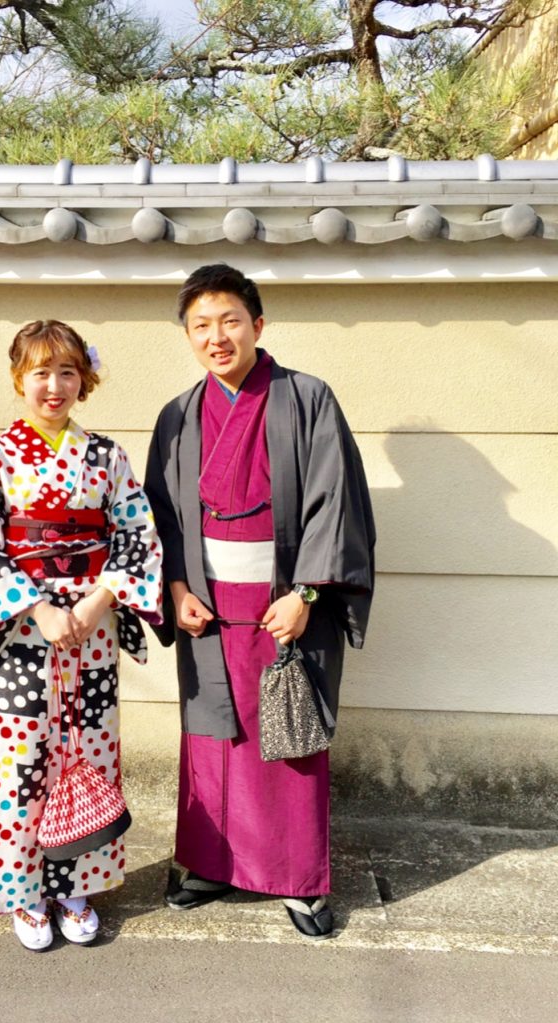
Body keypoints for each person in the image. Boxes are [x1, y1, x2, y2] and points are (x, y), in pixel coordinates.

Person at [144, 265, 375, 939]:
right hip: (207, 609)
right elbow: (159, 516)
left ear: (257, 325)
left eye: (230, 321)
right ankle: (212, 865)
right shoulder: (178, 416)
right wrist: (176, 588)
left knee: (287, 740)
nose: (217, 337)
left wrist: (306, 594)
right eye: (201, 325)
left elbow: (336, 502)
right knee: (214, 739)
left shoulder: (308, 399)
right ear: (187, 335)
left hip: (287, 605)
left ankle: (298, 880)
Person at [0, 320, 162, 951]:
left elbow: (136, 535)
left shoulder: (107, 457)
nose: (54, 386)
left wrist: (98, 602)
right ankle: (24, 892)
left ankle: (77, 886)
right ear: (20, 379)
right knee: (23, 763)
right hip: (22, 634)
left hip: (91, 634)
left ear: (83, 380)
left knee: (89, 753)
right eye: (41, 372)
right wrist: (38, 608)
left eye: (67, 372)